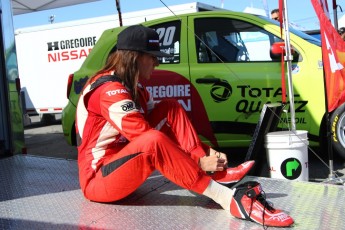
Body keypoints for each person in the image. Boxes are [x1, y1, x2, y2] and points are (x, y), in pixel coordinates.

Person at [75, 24, 294, 227]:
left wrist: (205, 153)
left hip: (121, 165)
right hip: (98, 180)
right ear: (134, 58)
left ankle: (213, 173)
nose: (157, 63)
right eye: (152, 57)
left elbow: (165, 126)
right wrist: (197, 163)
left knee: (170, 107)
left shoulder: (136, 87)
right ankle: (226, 199)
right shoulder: (109, 90)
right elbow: (149, 140)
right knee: (152, 140)